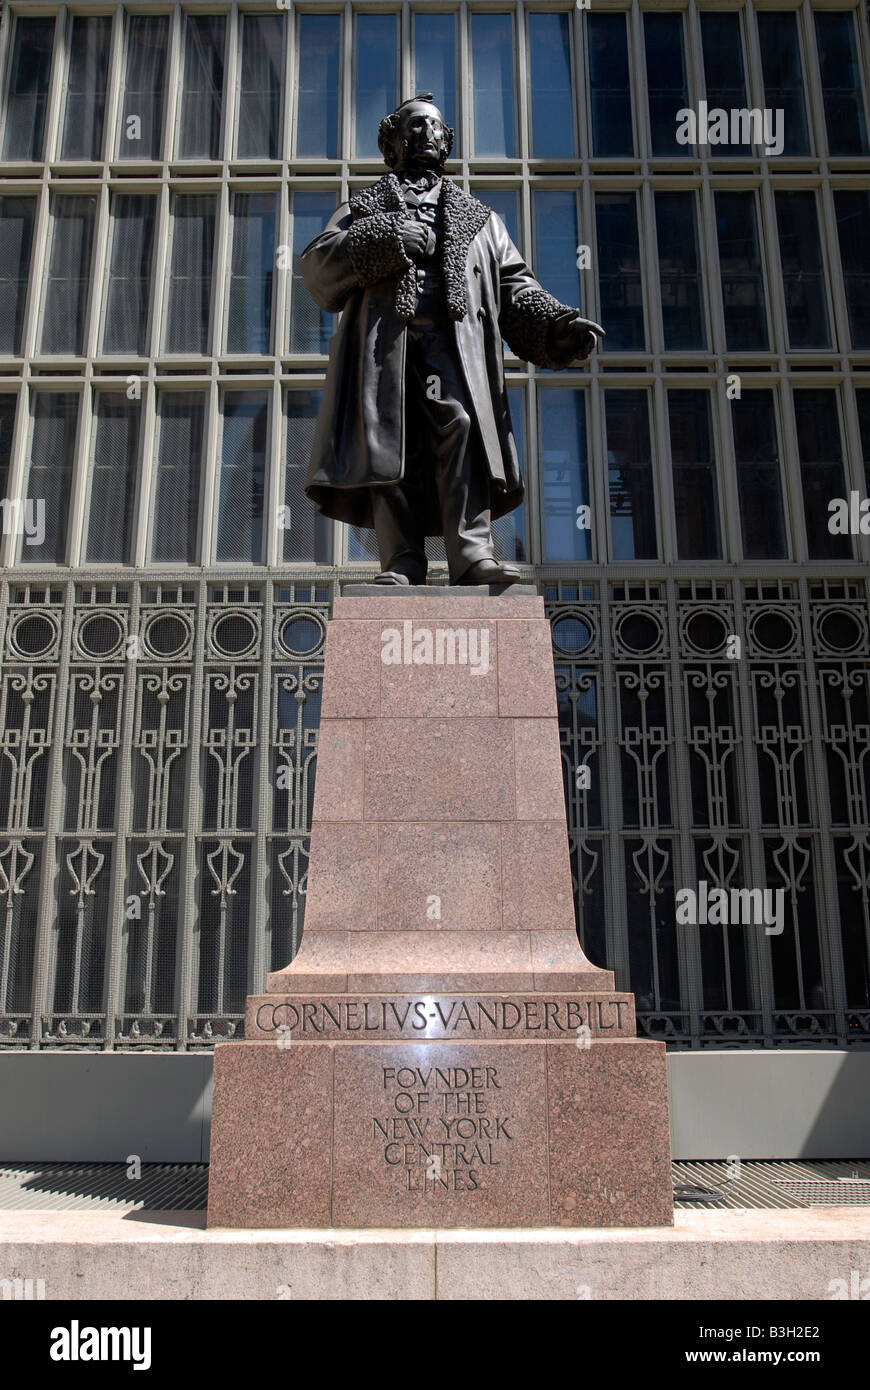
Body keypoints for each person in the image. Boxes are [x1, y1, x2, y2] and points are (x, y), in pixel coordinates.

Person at [300, 94, 604, 585]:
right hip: (386, 351)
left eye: (436, 128)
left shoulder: (480, 220)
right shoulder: (363, 207)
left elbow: (515, 288)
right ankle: (400, 559)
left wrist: (555, 327)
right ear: (392, 141)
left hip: (453, 351)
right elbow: (317, 269)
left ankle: (471, 553)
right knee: (388, 442)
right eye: (415, 126)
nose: (427, 135)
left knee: (462, 427)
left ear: (447, 143)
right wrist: (388, 237)